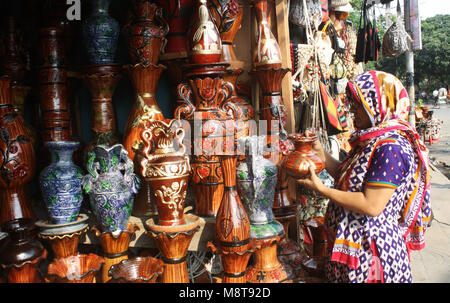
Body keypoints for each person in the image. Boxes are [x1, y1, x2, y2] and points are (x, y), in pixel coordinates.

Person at [296, 71, 432, 283]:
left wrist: (322, 189)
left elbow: (371, 205)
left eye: (358, 104)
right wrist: (320, 152)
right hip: (356, 245)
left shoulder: (391, 147)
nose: (352, 110)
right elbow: (347, 175)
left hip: (372, 253)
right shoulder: (374, 140)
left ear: (378, 104)